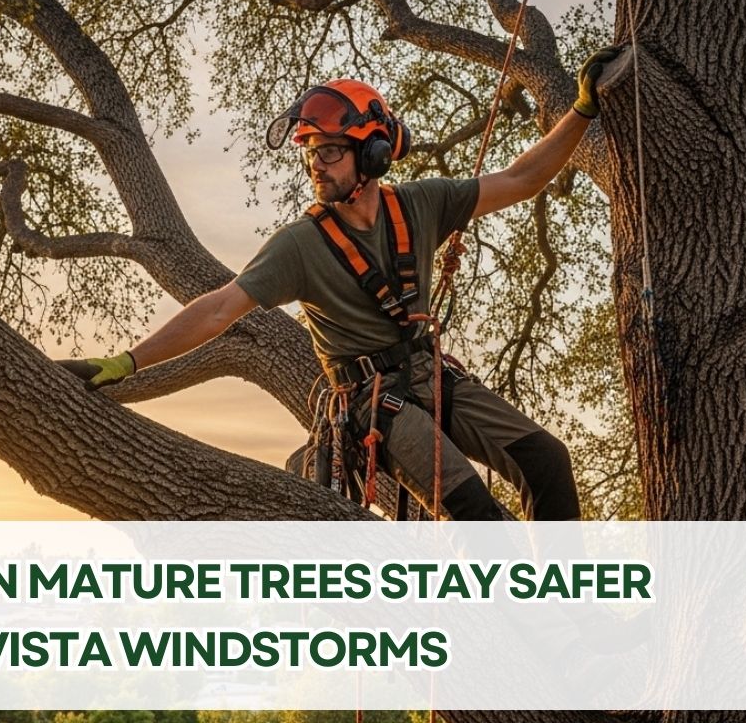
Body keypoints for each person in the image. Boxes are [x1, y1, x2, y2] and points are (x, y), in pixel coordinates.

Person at [61, 47, 622, 521]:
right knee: (476, 512)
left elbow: (522, 178)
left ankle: (564, 604)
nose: (316, 165)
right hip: (374, 402)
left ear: (373, 153)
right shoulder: (299, 245)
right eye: (311, 155)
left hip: (432, 373)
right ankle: (541, 629)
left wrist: (582, 110)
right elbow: (217, 309)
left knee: (548, 459)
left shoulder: (422, 204)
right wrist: (126, 363)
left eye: (329, 152)